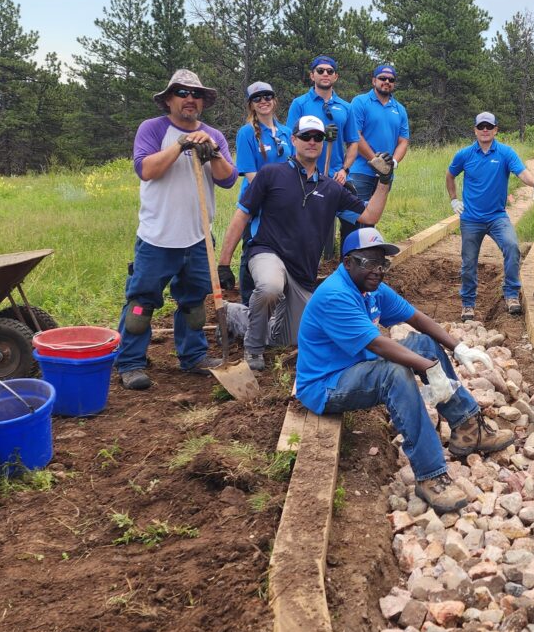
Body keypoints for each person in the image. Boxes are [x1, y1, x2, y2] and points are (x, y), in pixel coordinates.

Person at [294, 227, 515, 514]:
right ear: (347, 262)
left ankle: (469, 428)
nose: (377, 270)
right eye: (368, 262)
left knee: (423, 343)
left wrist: (458, 347)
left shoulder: (371, 289)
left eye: (382, 264)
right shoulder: (335, 295)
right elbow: (379, 346)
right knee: (394, 373)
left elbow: (417, 318)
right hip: (327, 384)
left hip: (356, 367)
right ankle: (430, 475)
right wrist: (429, 368)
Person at [217, 116, 390, 372]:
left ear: (322, 143)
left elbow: (370, 216)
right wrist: (224, 262)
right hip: (267, 252)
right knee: (270, 287)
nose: (312, 141)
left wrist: (385, 181)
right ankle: (253, 349)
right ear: (294, 139)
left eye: (318, 137)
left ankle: (234, 315)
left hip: (302, 271)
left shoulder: (331, 188)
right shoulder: (271, 174)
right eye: (306, 136)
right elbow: (242, 214)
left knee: (288, 338)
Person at [115, 69, 237, 391]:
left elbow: (227, 180)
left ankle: (193, 356)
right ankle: (130, 363)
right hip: (157, 237)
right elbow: (146, 170)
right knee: (141, 304)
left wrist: (211, 152)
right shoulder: (152, 129)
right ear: (169, 99)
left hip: (198, 237)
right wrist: (181, 145)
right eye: (182, 93)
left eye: (195, 94)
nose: (190, 99)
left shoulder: (214, 135)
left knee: (195, 302)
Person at [446, 112, 534, 321]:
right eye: (481, 127)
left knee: (511, 247)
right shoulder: (464, 155)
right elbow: (450, 175)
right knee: (468, 262)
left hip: (497, 217)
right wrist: (454, 199)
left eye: (489, 127)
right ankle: (468, 304)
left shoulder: (505, 153)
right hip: (471, 219)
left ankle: (511, 295)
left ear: (495, 130)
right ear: (475, 130)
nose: (485, 130)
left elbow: (522, 172)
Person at [220, 80, 291, 306]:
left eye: (267, 96)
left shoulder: (287, 132)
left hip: (285, 203)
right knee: (253, 248)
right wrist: (274, 196)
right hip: (257, 203)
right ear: (251, 104)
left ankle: (279, 299)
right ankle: (249, 301)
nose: (263, 101)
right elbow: (250, 173)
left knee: (282, 248)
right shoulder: (247, 133)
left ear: (275, 100)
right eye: (257, 98)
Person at [342, 64, 410, 247]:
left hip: (385, 176)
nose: (386, 82)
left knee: (372, 219)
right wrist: (375, 160)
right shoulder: (360, 102)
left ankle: (367, 260)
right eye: (382, 78)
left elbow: (403, 141)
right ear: (374, 81)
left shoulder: (400, 109)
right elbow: (355, 134)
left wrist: (392, 163)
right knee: (354, 219)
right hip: (360, 172)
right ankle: (347, 262)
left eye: (391, 80)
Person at [286, 55, 357, 185]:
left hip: (336, 178)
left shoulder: (346, 107)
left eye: (330, 71)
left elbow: (353, 143)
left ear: (335, 77)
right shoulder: (299, 104)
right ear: (312, 76)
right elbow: (291, 139)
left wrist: (344, 170)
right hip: (305, 177)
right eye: (320, 71)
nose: (325, 74)